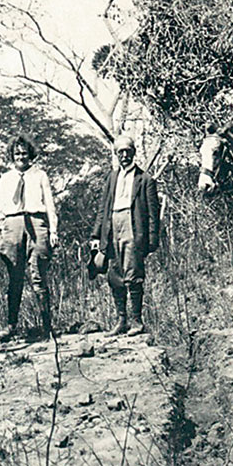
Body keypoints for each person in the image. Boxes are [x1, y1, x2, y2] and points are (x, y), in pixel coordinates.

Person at [0, 135, 59, 341]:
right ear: (12, 155)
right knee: (14, 277)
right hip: (13, 224)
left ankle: (47, 327)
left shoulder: (40, 175)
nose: (21, 157)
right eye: (17, 153)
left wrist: (53, 230)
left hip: (37, 222)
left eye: (24, 153)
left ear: (31, 155)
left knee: (38, 276)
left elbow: (50, 204)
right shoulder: (6, 178)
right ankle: (11, 325)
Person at [90, 135, 161, 337]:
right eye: (120, 152)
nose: (124, 155)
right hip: (112, 226)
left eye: (127, 151)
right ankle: (121, 321)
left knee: (133, 274)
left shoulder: (145, 179)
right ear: (116, 154)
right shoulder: (112, 178)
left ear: (133, 153)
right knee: (114, 275)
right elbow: (103, 208)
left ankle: (137, 321)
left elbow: (152, 212)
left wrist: (152, 240)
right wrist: (96, 235)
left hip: (133, 226)